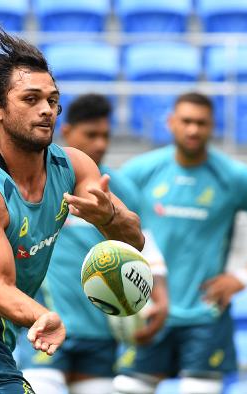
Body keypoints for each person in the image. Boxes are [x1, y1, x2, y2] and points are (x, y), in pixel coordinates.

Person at [0, 18, 165, 393]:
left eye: (52, 100)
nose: (46, 109)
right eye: (30, 99)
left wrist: (108, 216)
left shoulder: (74, 166)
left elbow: (134, 241)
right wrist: (42, 315)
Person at [113, 92, 247, 394]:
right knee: (127, 388)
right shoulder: (141, 171)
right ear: (171, 123)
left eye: (201, 123)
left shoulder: (233, 177)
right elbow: (112, 222)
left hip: (205, 314)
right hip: (152, 310)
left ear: (212, 127)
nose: (193, 129)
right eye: (186, 121)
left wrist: (245, 276)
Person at [21, 93, 168, 394]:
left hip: (100, 330)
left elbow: (146, 247)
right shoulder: (38, 180)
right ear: (67, 131)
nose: (100, 143)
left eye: (105, 135)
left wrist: (160, 298)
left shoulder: (120, 187)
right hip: (46, 322)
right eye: (91, 135)